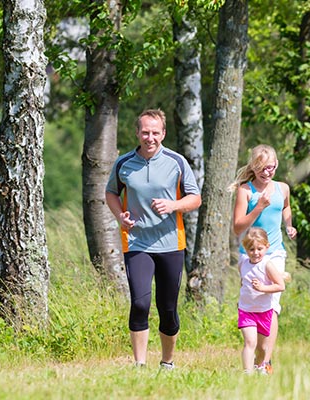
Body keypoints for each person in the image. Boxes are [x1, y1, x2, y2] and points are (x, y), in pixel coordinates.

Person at [105, 109, 202, 370]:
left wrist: (173, 205)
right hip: (137, 243)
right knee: (139, 303)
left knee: (167, 308)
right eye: (145, 132)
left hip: (171, 244)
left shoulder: (176, 161)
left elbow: (195, 198)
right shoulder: (124, 163)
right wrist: (119, 216)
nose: (150, 137)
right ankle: (139, 365)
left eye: (155, 132)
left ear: (163, 134)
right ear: (137, 133)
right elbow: (111, 193)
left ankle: (167, 362)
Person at [230, 144, 297, 375]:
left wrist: (288, 226)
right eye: (260, 168)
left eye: (270, 167)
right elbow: (237, 226)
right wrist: (258, 207)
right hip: (248, 253)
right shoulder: (245, 190)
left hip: (275, 251)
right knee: (253, 297)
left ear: (276, 165)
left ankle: (265, 362)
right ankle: (256, 349)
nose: (266, 172)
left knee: (273, 303)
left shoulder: (283, 188)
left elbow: (285, 208)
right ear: (253, 166)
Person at [237, 227, 286, 374]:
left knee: (262, 348)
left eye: (260, 248)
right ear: (246, 249)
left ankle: (260, 367)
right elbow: (243, 282)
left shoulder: (267, 265)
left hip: (264, 311)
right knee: (250, 342)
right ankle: (247, 372)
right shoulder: (243, 264)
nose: (256, 253)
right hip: (246, 311)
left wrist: (263, 288)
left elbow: (280, 285)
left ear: (267, 247)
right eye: (251, 249)